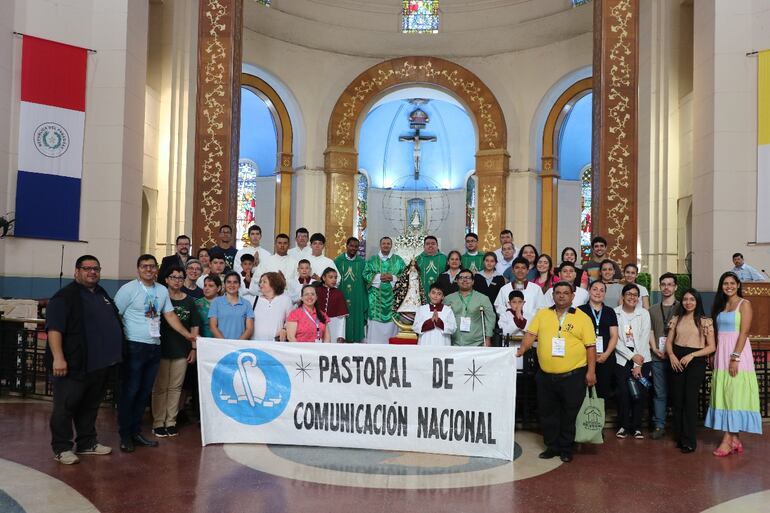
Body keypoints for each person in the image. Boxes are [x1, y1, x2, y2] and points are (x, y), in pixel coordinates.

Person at [114, 255, 196, 453]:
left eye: (152, 266)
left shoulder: (161, 290)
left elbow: (169, 315)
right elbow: (115, 314)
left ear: (157, 269)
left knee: (143, 393)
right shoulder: (129, 289)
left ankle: (135, 432)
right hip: (134, 345)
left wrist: (189, 336)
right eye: (145, 266)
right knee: (131, 391)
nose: (149, 270)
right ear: (138, 269)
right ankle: (125, 434)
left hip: (154, 345)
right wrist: (119, 344)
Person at [46, 255, 123, 465]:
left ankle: (87, 443)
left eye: (96, 268)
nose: (92, 272)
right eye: (87, 268)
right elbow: (54, 329)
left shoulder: (101, 293)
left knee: (90, 406)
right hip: (73, 364)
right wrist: (58, 358)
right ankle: (61, 447)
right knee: (65, 406)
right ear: (76, 271)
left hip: (99, 365)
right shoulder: (65, 297)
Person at [517, 281, 597, 463]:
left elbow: (591, 347)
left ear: (572, 296)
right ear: (552, 296)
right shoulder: (542, 314)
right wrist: (521, 350)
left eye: (565, 293)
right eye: (558, 293)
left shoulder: (583, 318)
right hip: (545, 376)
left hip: (573, 375)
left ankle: (566, 448)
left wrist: (591, 372)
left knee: (569, 414)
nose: (561, 296)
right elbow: (530, 335)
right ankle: (552, 446)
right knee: (548, 413)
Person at [705, 272, 762, 456]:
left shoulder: (744, 305)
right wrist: (714, 353)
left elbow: (744, 333)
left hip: (737, 354)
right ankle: (735, 438)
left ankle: (727, 439)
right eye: (725, 283)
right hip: (722, 354)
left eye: (731, 283)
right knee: (725, 392)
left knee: (735, 393)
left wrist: (735, 357)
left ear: (738, 285)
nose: (728, 286)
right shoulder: (721, 305)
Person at [151, 266, 200, 438]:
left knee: (175, 387)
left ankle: (171, 422)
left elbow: (194, 326)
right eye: (173, 277)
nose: (177, 280)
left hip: (182, 350)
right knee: (160, 387)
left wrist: (194, 348)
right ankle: (158, 422)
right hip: (162, 348)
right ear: (166, 280)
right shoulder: (160, 298)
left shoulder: (189, 301)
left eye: (180, 278)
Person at [665, 289, 715, 453]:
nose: (688, 302)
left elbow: (711, 347)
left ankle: (689, 440)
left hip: (695, 360)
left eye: (692, 299)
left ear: (697, 301)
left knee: (690, 400)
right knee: (677, 400)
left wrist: (692, 355)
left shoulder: (705, 321)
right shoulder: (676, 319)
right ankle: (679, 437)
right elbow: (669, 341)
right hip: (676, 358)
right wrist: (671, 355)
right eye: (685, 299)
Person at [613, 283, 652, 439]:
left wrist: (637, 364)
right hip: (621, 359)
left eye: (635, 294)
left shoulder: (643, 313)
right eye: (628, 294)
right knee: (623, 393)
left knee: (640, 393)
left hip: (643, 359)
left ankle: (637, 427)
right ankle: (623, 425)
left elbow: (643, 338)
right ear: (622, 297)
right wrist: (630, 357)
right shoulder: (614, 313)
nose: (632, 297)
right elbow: (614, 339)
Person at [648, 272, 679, 440]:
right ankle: (659, 425)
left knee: (677, 392)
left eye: (670, 284)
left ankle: (677, 425)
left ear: (675, 287)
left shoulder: (682, 307)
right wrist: (655, 349)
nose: (666, 287)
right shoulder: (652, 309)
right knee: (659, 393)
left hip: (677, 358)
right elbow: (650, 331)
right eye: (663, 284)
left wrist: (672, 352)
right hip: (657, 357)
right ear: (660, 287)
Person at [578, 281, 619, 401]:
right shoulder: (579, 311)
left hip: (605, 358)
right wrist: (590, 355)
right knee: (583, 392)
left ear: (605, 294)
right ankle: (583, 419)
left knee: (602, 393)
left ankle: (599, 418)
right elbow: (577, 336)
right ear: (589, 291)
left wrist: (606, 354)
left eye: (602, 290)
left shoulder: (610, 311)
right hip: (584, 358)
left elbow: (614, 335)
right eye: (595, 289)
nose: (598, 292)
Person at [363, 237, 406, 343]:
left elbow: (405, 275)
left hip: (393, 298)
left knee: (393, 325)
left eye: (388, 243)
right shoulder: (372, 260)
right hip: (376, 299)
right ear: (380, 245)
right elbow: (365, 274)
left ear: (391, 245)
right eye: (383, 243)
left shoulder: (398, 260)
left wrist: (393, 278)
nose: (386, 245)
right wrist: (378, 277)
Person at [444, 269, 495, 347]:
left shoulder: (483, 298)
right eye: (461, 278)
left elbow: (490, 319)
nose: (464, 280)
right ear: (457, 281)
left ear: (473, 281)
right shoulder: (448, 299)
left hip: (477, 343)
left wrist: (488, 338)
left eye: (468, 278)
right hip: (454, 343)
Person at [334, 237, 368, 343]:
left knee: (356, 318)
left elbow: (367, 281)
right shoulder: (338, 261)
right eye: (351, 246)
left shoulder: (362, 263)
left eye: (356, 246)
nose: (353, 248)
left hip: (357, 298)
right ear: (346, 246)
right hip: (342, 297)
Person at [494, 257, 545, 322]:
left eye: (523, 268)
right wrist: (512, 319)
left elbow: (541, 308)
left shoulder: (536, 289)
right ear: (512, 270)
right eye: (517, 267)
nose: (520, 270)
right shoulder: (504, 289)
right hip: (510, 327)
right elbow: (499, 307)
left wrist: (526, 320)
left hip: (531, 327)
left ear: (527, 271)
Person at [208, 271, 255, 340]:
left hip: (239, 346)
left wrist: (236, 344)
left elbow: (249, 329)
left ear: (239, 285)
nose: (232, 285)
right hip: (220, 345)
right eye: (229, 282)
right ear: (224, 284)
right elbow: (213, 327)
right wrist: (226, 344)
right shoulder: (216, 302)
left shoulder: (246, 304)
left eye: (235, 282)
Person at [251, 272, 293, 342]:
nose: (261, 284)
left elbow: (290, 320)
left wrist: (284, 330)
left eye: (264, 282)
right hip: (256, 344)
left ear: (274, 284)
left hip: (276, 344)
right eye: (260, 282)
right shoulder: (254, 300)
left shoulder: (285, 300)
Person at [315, 267, 349, 342]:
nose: (334, 280)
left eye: (335, 278)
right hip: (317, 323)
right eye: (331, 277)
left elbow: (341, 319)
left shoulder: (339, 294)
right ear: (324, 278)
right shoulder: (316, 291)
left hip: (333, 325)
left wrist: (341, 335)